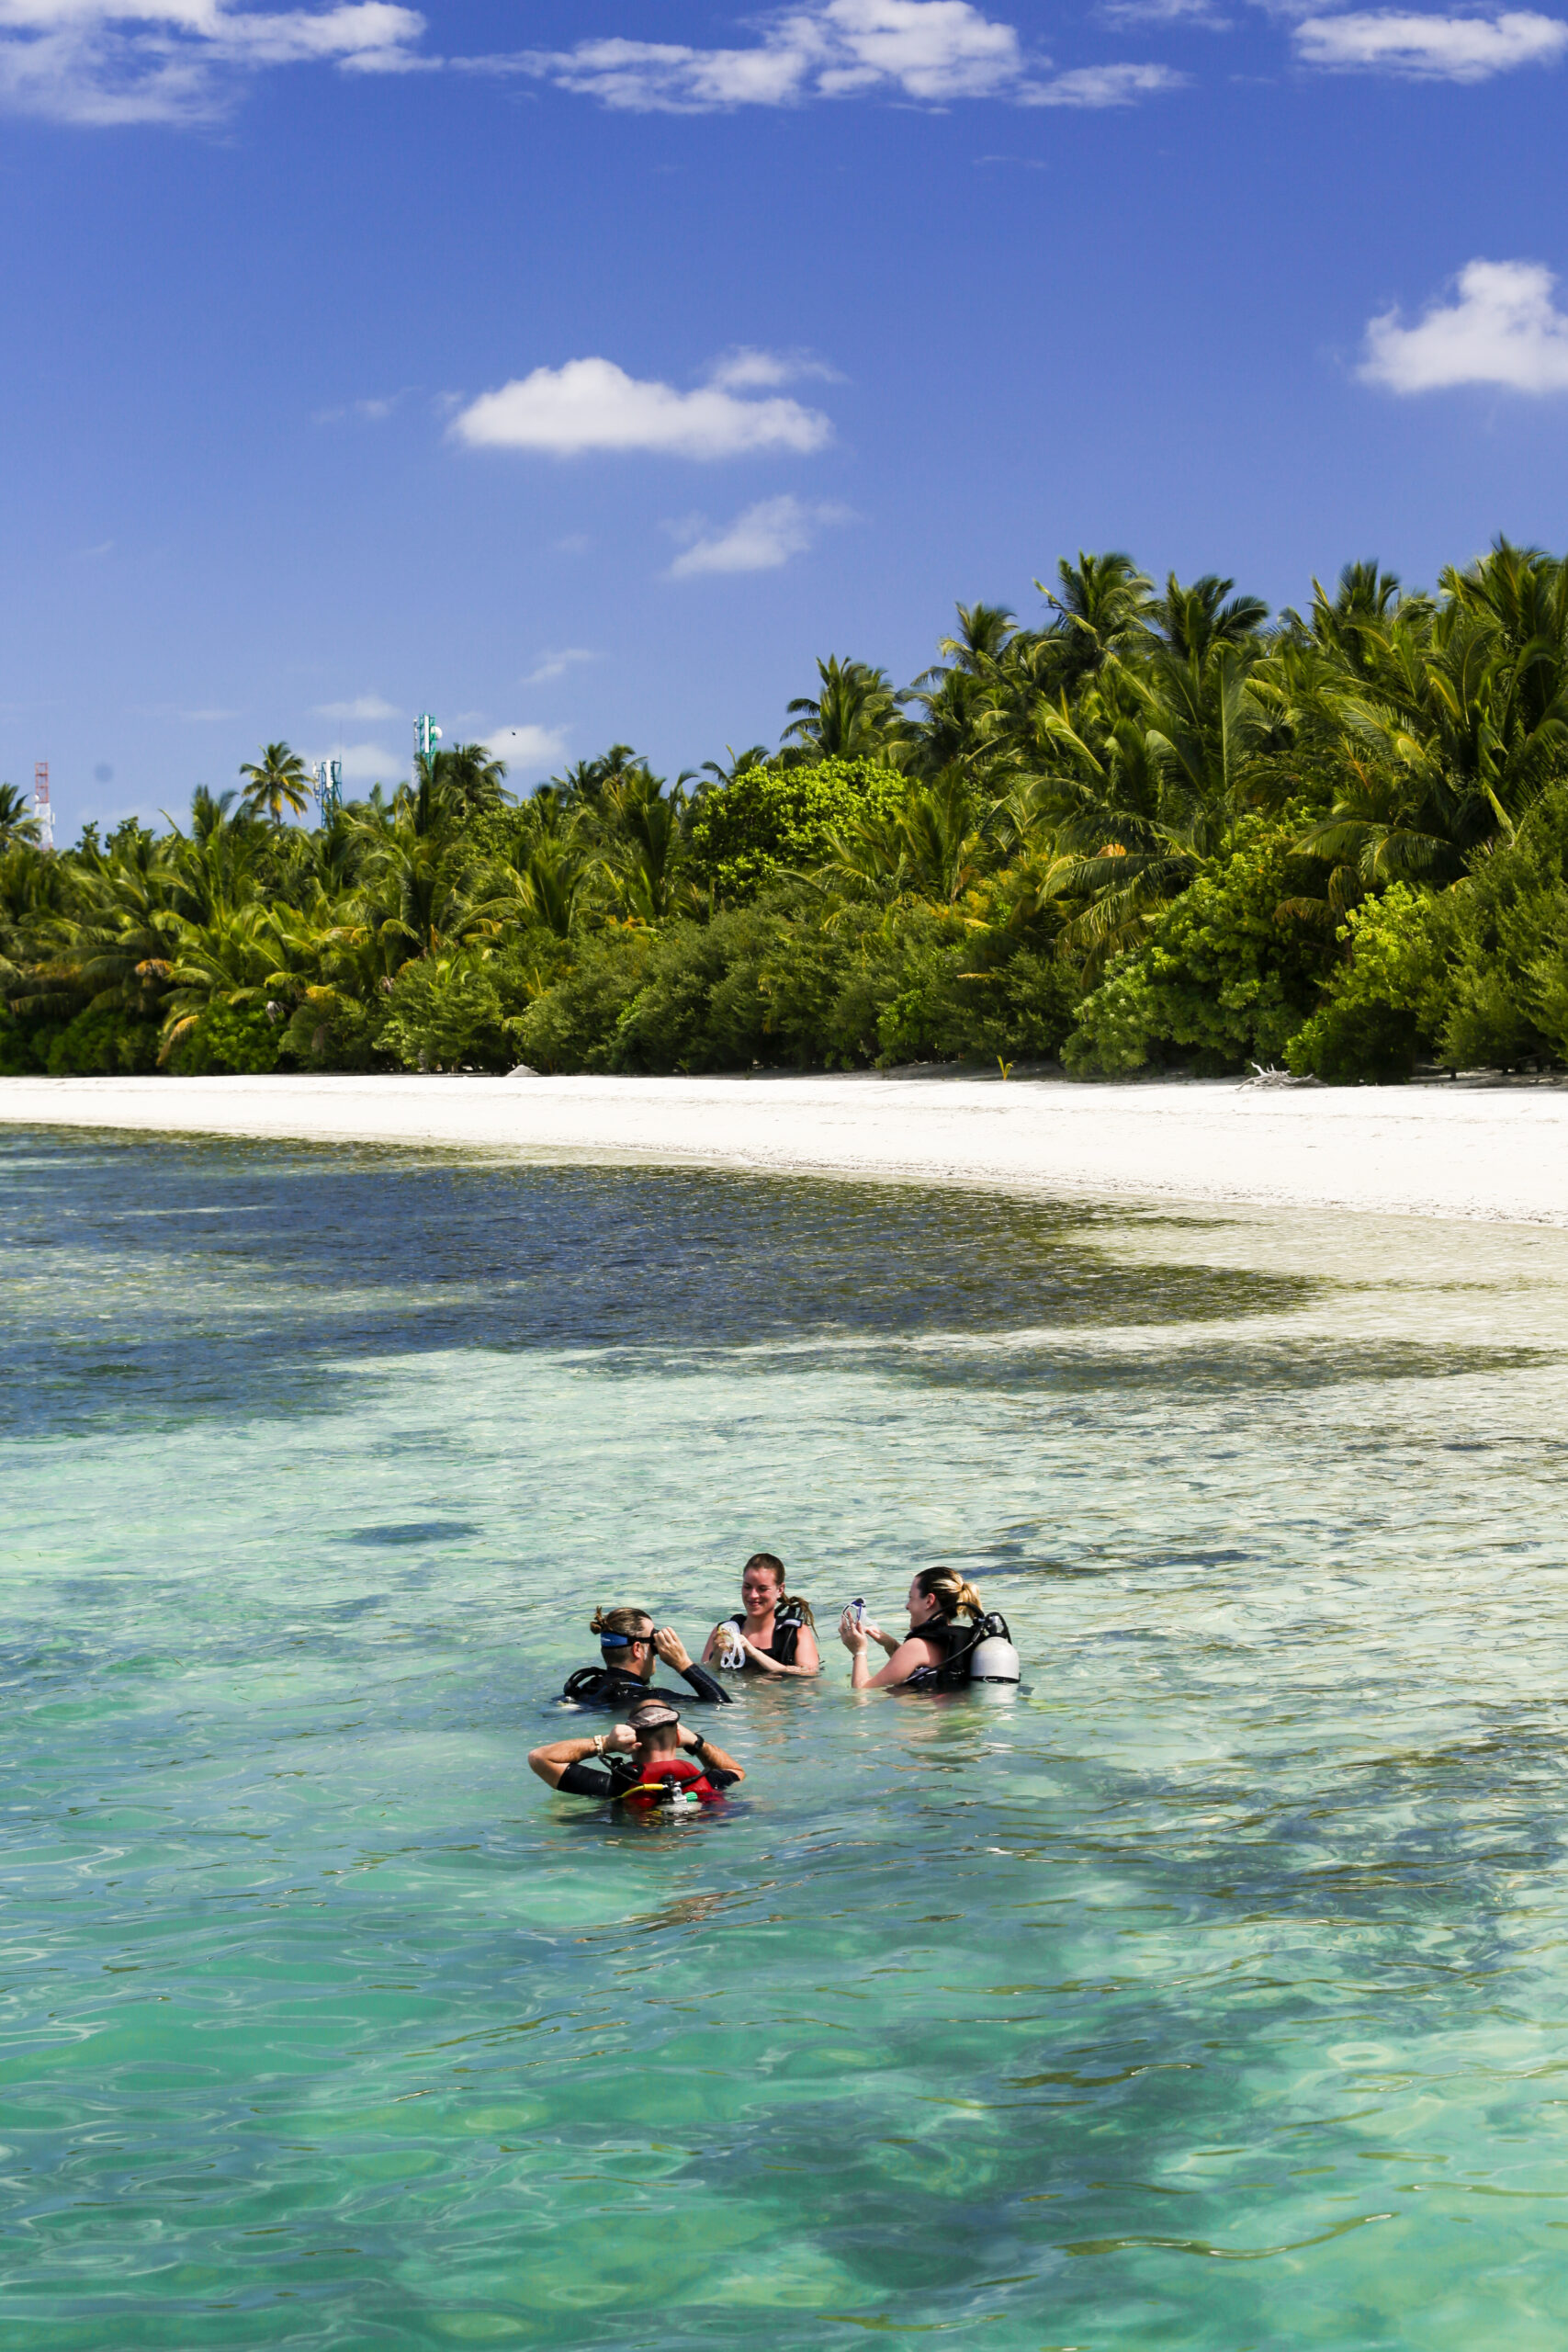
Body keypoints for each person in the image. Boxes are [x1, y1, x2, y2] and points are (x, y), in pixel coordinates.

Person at [529, 1697, 744, 1808]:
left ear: (632, 1740)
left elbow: (539, 1758)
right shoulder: (707, 1780)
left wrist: (606, 1743)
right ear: (678, 1738)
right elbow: (735, 1770)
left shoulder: (617, 1785)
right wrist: (696, 1742)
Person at [839, 1566, 1014, 1691]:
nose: (907, 1606)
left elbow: (862, 1691)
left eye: (911, 1598)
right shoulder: (964, 1639)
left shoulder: (916, 1646)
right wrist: (891, 1645)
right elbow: (925, 1671)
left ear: (929, 1601)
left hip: (925, 1732)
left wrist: (859, 1651)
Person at [560, 1604, 731, 1710]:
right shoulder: (650, 1700)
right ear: (637, 1649)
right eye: (653, 1641)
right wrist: (683, 1664)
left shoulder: (584, 1688)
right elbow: (721, 1705)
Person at [701, 1552, 821, 1678]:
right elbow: (702, 1676)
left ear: (780, 1590)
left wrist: (754, 1653)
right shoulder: (723, 1632)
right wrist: (716, 1659)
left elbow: (810, 1676)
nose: (753, 1595)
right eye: (747, 1586)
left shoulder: (796, 1633)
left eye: (762, 1589)